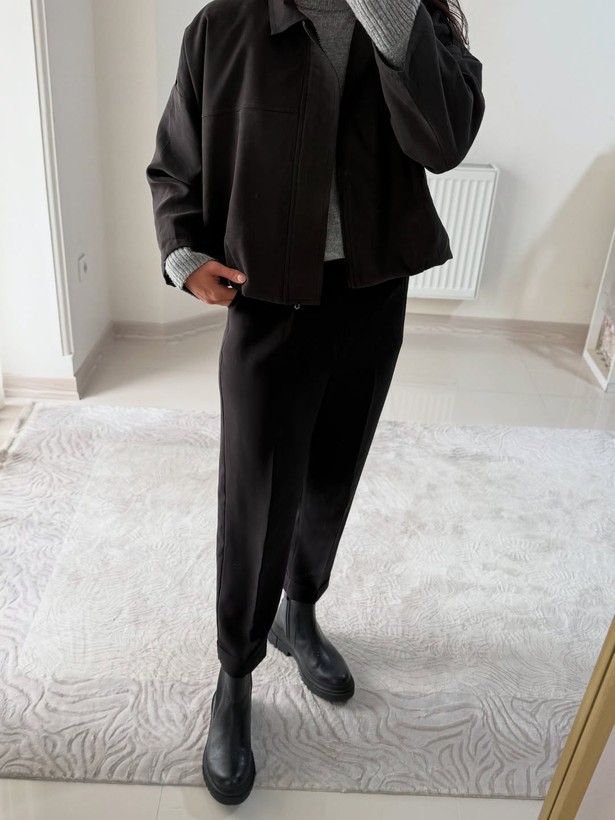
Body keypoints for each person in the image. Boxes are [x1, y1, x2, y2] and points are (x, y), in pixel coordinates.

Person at [146, 0, 485, 805]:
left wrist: (392, 22)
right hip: (266, 300)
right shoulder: (224, 25)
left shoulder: (413, 16)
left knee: (334, 473)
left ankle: (300, 611)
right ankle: (235, 675)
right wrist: (182, 252)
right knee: (255, 496)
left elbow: (442, 145)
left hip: (372, 292)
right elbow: (175, 161)